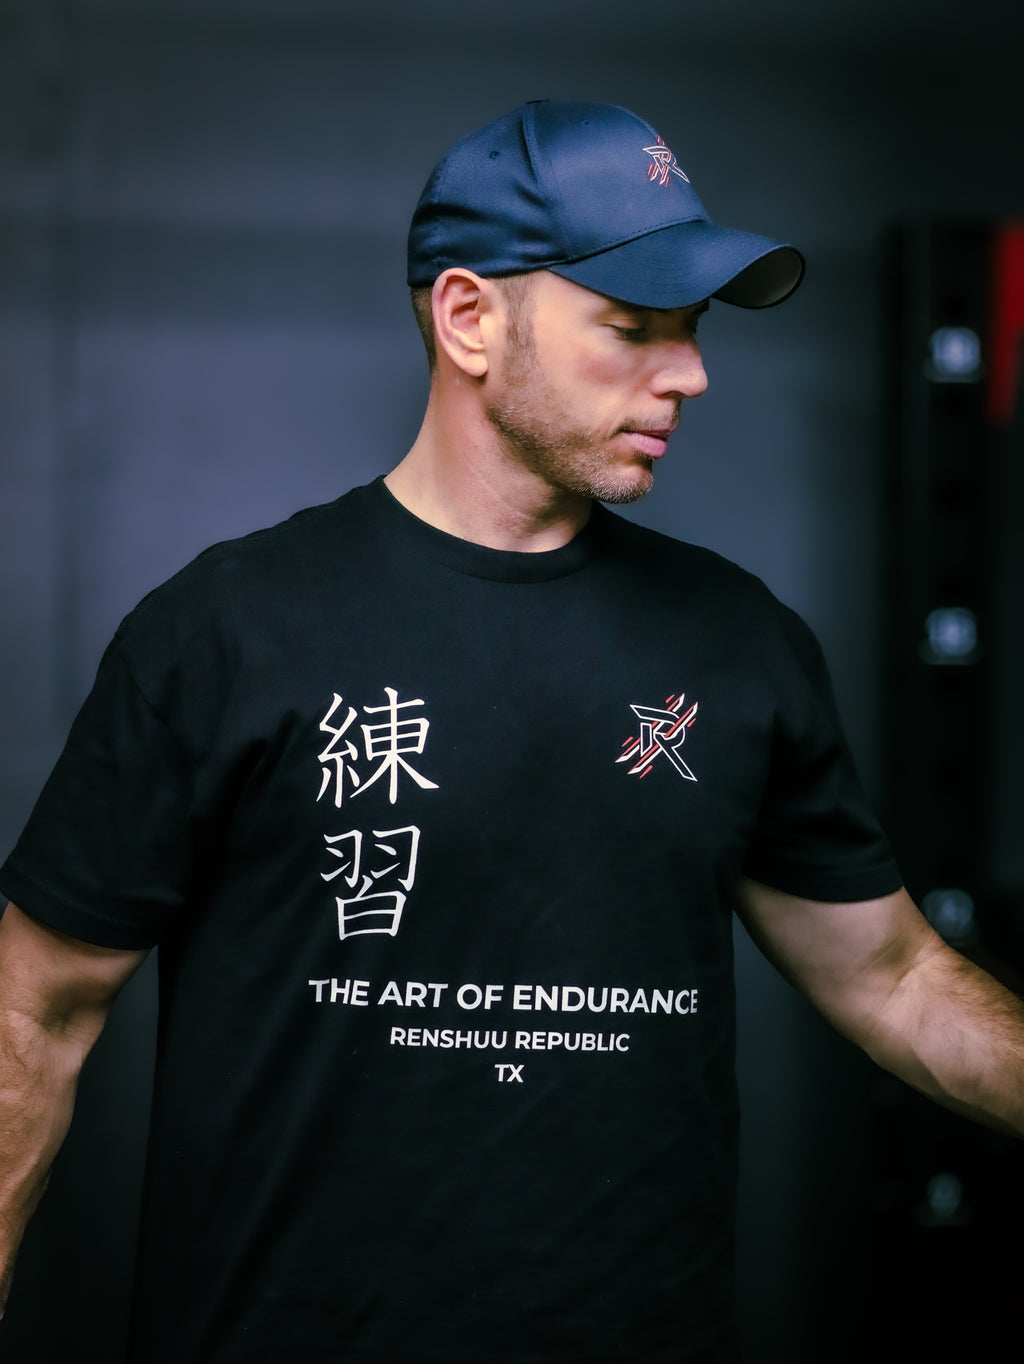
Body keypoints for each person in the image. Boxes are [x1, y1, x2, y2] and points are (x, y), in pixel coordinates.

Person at [0, 99, 1021, 1364]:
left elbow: (895, 976)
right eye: (633, 327)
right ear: (470, 318)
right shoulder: (225, 630)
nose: (689, 373)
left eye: (692, 331)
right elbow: (31, 1013)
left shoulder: (740, 644)